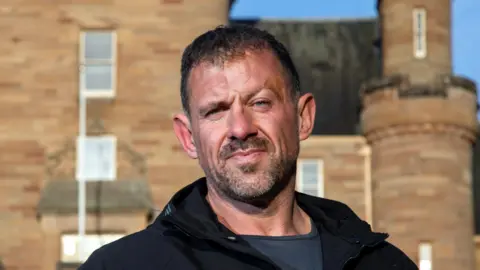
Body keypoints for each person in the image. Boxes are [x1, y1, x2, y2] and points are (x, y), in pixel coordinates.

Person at [79, 24, 418, 270]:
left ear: (303, 118)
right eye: (216, 111)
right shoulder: (125, 266)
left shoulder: (382, 263)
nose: (240, 128)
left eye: (260, 103)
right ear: (188, 137)